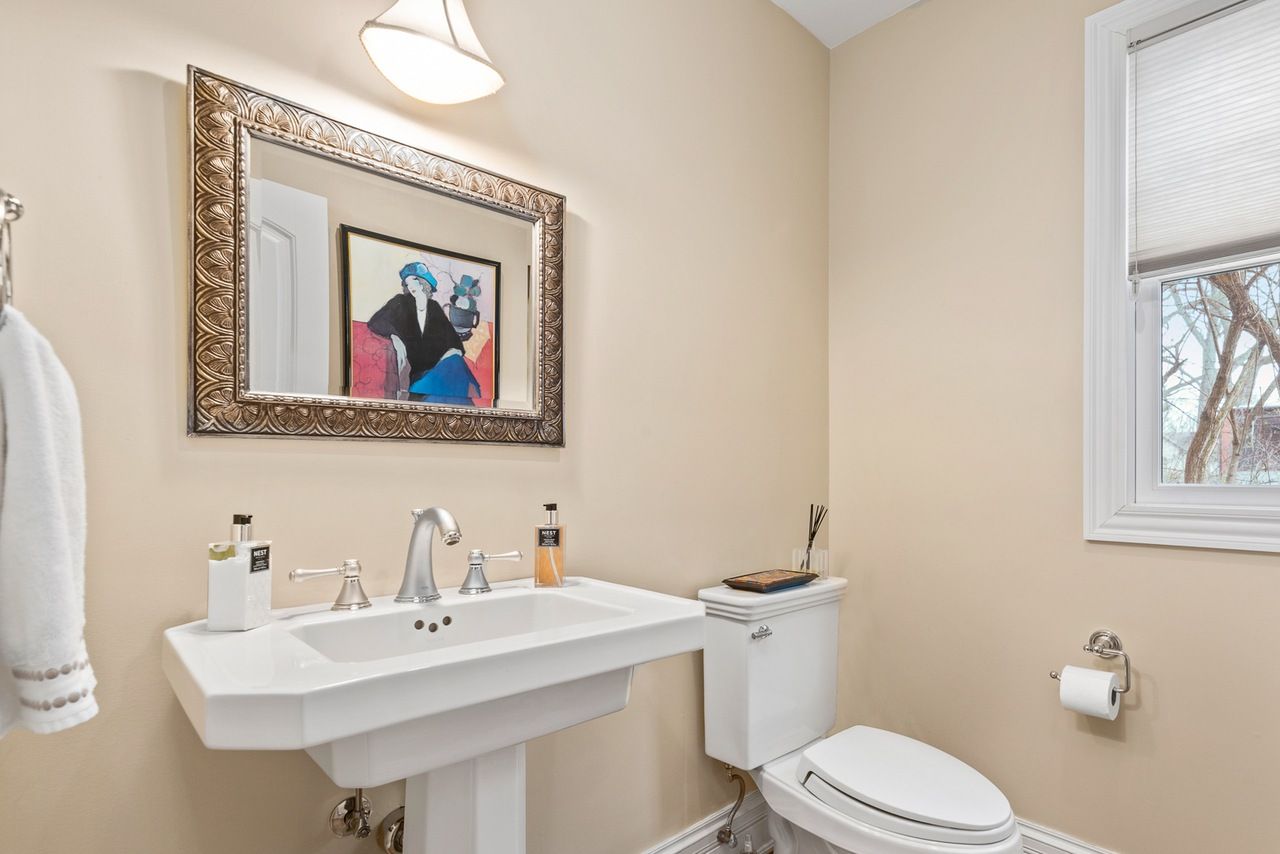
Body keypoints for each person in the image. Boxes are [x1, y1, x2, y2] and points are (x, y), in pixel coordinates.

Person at [367, 262, 478, 404]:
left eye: (415, 280)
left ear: (424, 283)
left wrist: (448, 356)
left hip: (439, 367)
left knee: (455, 362)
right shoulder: (400, 302)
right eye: (407, 283)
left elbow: (455, 342)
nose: (411, 286)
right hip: (418, 373)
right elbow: (376, 321)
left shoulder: (434, 307)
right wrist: (394, 336)